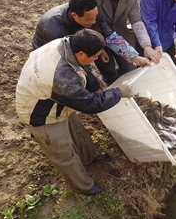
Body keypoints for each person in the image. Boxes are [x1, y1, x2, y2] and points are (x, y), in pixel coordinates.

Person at [16, 29, 133, 195]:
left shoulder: (66, 43)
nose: (95, 60)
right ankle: (83, 186)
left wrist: (92, 81)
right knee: (64, 154)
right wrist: (119, 92)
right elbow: (91, 105)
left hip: (55, 99)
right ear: (81, 52)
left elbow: (79, 68)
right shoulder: (62, 78)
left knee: (78, 133)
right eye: (94, 56)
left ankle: (89, 157)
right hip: (41, 114)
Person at [32, 0, 150, 88]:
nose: (94, 22)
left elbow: (109, 36)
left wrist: (135, 57)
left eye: (95, 17)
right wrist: (91, 78)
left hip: (77, 46)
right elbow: (73, 58)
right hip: (50, 54)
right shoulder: (54, 28)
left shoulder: (92, 13)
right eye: (89, 19)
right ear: (74, 16)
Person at [83, 0, 161, 64]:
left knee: (129, 68)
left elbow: (136, 21)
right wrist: (99, 47)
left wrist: (147, 46)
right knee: (107, 68)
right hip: (98, 35)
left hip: (121, 35)